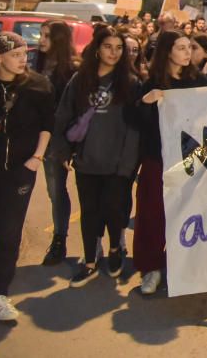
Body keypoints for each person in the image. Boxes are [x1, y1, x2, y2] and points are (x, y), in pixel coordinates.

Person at [52, 27, 141, 287]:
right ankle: (89, 261)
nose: (113, 52)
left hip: (117, 164)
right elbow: (63, 116)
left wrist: (127, 165)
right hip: (86, 161)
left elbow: (135, 129)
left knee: (114, 210)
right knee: (89, 212)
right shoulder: (81, 80)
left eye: (119, 48)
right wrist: (63, 151)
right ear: (97, 49)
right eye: (108, 46)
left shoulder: (131, 83)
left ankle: (115, 249)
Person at [0, 32, 54, 321]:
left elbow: (48, 124)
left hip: (20, 170)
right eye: (16, 55)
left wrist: (36, 158)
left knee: (8, 233)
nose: (23, 59)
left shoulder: (38, 86)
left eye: (24, 54)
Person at [134, 31, 207, 295]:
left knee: (187, 212)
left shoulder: (198, 81)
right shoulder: (152, 83)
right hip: (158, 158)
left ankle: (183, 266)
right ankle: (151, 268)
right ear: (167, 52)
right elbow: (137, 122)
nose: (187, 52)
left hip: (191, 158)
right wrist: (146, 102)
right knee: (153, 213)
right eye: (181, 48)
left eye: (189, 47)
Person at [34, 21, 80, 267]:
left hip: (55, 142)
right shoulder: (35, 63)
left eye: (46, 36)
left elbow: (71, 111)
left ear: (59, 40)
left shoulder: (69, 71)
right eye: (41, 35)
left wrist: (66, 146)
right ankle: (6, 238)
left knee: (55, 191)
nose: (41, 40)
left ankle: (59, 239)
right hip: (27, 138)